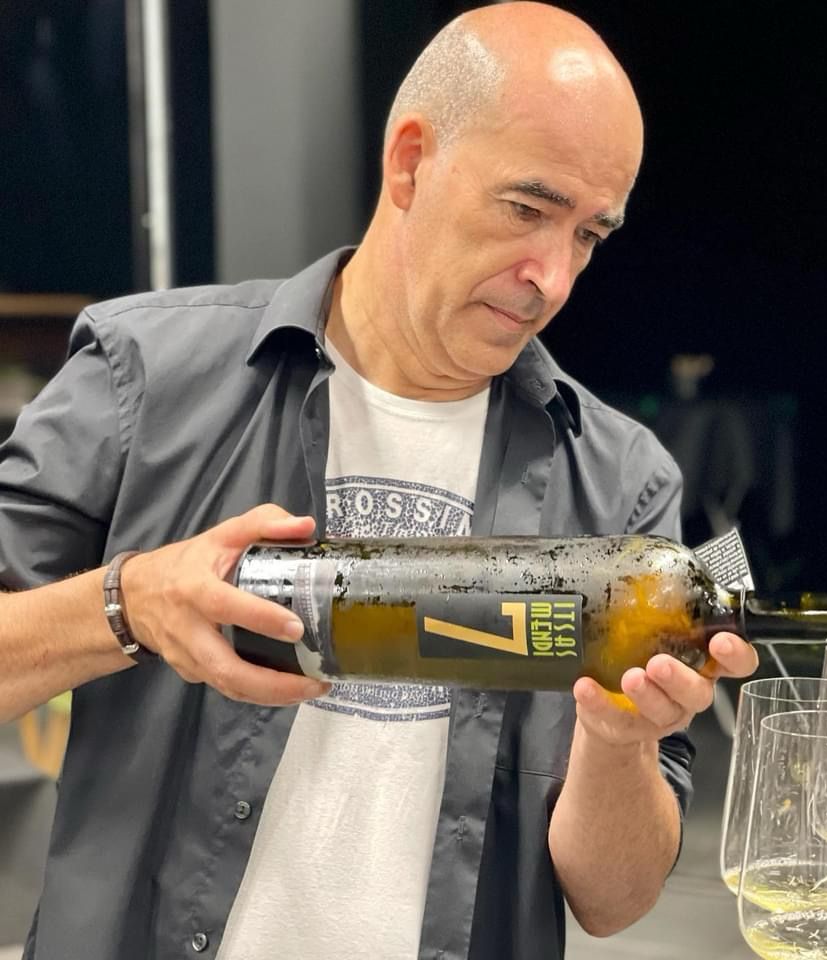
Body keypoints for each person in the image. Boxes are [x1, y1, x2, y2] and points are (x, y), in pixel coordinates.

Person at [0, 3, 758, 958]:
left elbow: (614, 902)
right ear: (409, 162)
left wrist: (617, 742)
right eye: (527, 210)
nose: (554, 277)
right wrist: (128, 603)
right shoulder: (145, 375)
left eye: (589, 236)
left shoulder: (622, 483)